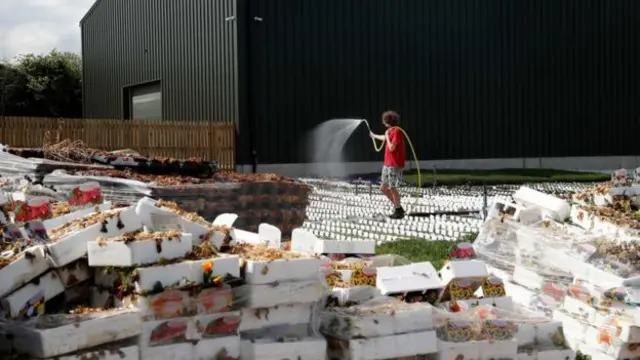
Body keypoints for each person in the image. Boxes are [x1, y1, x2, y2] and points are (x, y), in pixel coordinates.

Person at [369, 110, 406, 218]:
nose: (382, 122)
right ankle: (398, 207)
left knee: (392, 187)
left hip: (393, 164)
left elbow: (391, 147)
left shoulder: (397, 132)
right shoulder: (390, 131)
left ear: (388, 121)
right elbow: (385, 138)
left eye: (384, 120)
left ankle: (398, 211)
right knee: (383, 188)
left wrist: (387, 136)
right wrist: (374, 136)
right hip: (387, 164)